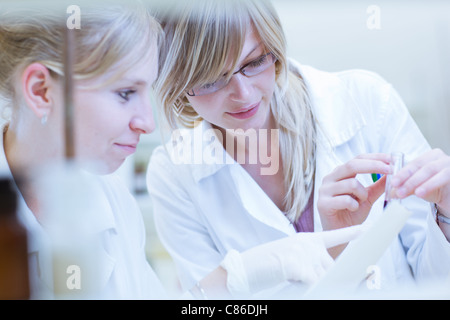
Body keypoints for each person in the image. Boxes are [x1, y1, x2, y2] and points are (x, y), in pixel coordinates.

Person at [147, 0, 450, 298]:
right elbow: (209, 304)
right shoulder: (174, 173)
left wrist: (446, 213)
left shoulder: (368, 104)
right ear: (177, 82)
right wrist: (333, 253)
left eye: (253, 63)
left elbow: (436, 283)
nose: (243, 94)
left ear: (274, 49)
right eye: (211, 80)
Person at [0, 3, 167, 299]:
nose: (148, 123)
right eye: (125, 92)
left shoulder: (115, 202)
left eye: (147, 91)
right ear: (41, 91)